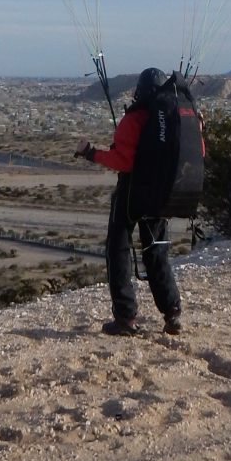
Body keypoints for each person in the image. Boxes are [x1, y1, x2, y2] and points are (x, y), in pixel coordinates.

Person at [75, 67, 183, 337]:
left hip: (132, 194)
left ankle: (126, 317)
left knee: (118, 248)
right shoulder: (177, 118)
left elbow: (123, 161)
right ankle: (172, 311)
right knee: (157, 251)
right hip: (161, 196)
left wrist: (91, 153)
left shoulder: (134, 119)